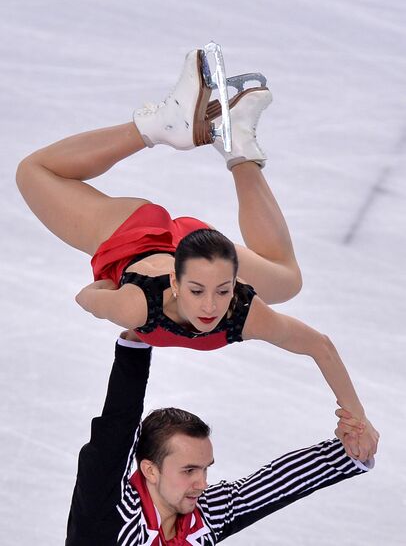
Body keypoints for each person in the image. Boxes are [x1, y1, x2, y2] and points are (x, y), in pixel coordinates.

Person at [16, 47, 378, 459]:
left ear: (236, 284)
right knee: (33, 171)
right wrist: (108, 290)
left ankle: (211, 133)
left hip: (178, 245)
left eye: (224, 292)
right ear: (174, 283)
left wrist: (358, 417)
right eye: (198, 292)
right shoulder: (136, 304)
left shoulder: (241, 310)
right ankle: (187, 132)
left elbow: (320, 346)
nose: (210, 308)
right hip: (134, 231)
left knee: (287, 282)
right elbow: (89, 299)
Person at [65, 335, 373, 546]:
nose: (202, 483)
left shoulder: (205, 514)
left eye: (204, 469)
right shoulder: (109, 507)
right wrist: (137, 343)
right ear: (150, 470)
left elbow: (274, 484)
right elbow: (116, 427)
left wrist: (347, 453)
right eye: (188, 470)